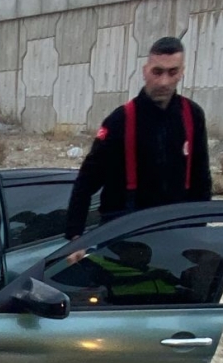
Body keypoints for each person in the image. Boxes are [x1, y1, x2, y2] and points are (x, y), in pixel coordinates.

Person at [64, 36, 211, 245]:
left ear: (182, 72)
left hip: (175, 232)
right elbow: (86, 181)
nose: (164, 81)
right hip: (125, 236)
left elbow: (201, 180)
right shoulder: (120, 120)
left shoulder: (192, 115)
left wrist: (199, 232)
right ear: (145, 71)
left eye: (172, 72)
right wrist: (75, 236)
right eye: (157, 72)